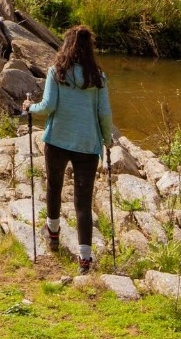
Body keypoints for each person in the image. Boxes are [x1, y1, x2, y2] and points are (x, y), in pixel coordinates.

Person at [23, 24, 113, 273]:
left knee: (54, 186)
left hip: (57, 141)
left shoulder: (57, 72)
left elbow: (48, 106)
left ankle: (53, 234)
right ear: (89, 49)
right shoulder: (98, 77)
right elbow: (104, 114)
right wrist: (108, 140)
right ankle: (85, 259)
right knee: (83, 203)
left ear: (67, 45)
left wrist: (29, 107)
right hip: (87, 145)